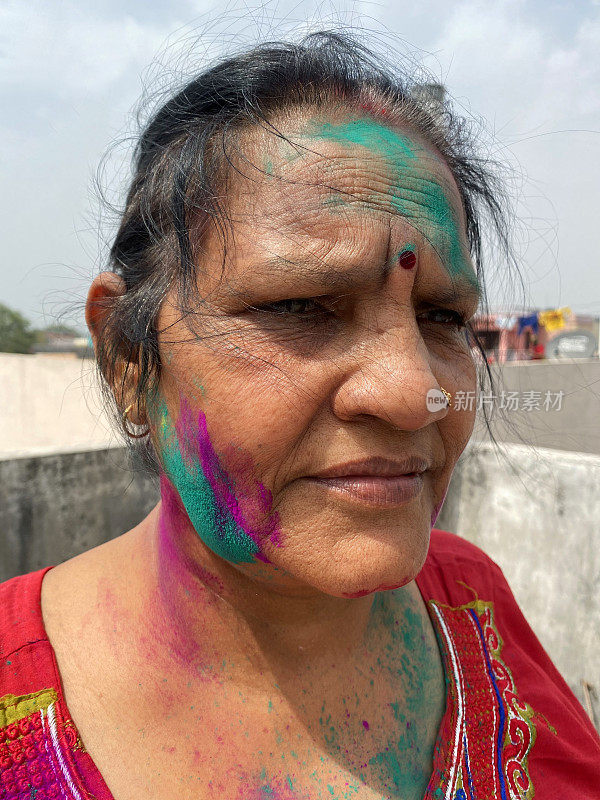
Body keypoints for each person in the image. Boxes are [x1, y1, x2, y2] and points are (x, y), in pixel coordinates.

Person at [1, 31, 598, 800]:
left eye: (443, 316)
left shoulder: (474, 600)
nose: (414, 391)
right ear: (127, 357)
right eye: (300, 306)